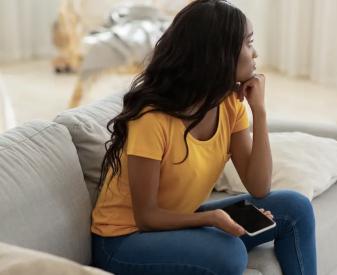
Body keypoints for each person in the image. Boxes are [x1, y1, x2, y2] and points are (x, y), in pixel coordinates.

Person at [90, 1, 316, 274]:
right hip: (124, 240)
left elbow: (259, 187)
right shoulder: (152, 119)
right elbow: (147, 217)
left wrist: (260, 112)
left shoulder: (230, 106)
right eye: (248, 43)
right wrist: (209, 219)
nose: (255, 53)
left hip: (178, 221)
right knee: (228, 254)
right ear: (218, 53)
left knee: (295, 207)